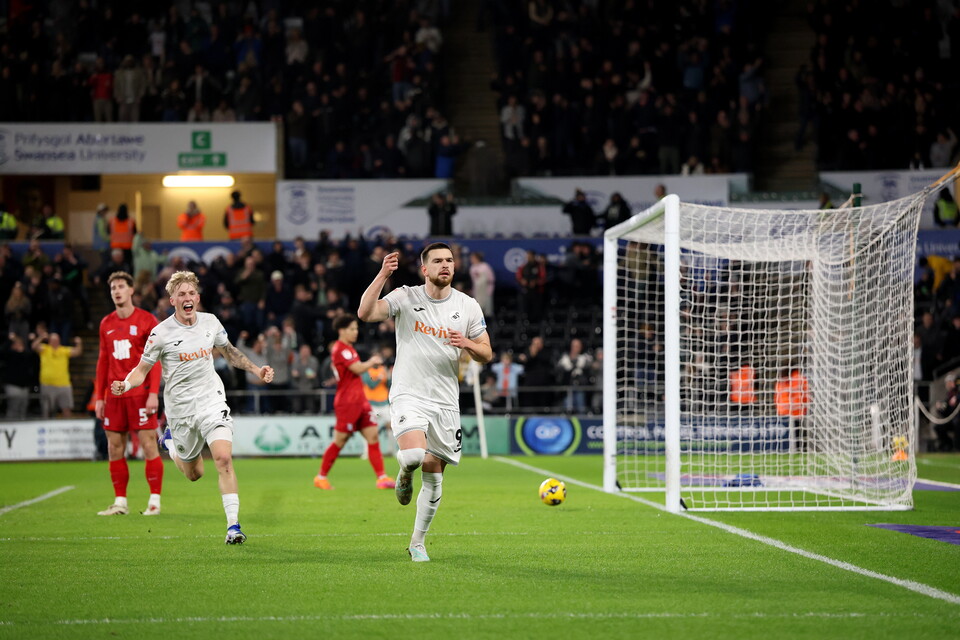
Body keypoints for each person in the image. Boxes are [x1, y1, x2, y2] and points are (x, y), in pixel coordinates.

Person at [111, 270, 275, 545]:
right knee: (194, 474)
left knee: (223, 458)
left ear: (197, 298)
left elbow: (230, 351)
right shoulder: (160, 333)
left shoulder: (210, 322)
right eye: (181, 294)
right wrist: (126, 385)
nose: (187, 298)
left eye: (191, 293)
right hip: (181, 410)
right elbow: (142, 370)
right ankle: (171, 444)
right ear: (172, 300)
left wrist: (257, 370)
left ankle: (233, 526)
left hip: (211, 400)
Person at [358, 242, 493, 562]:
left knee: (434, 474)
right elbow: (365, 313)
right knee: (416, 455)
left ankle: (417, 542)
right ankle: (405, 472)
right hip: (409, 393)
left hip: (446, 402)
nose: (445, 265)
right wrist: (382, 275)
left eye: (449, 260)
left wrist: (468, 344)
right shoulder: (406, 295)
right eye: (437, 261)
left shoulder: (468, 305)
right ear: (425, 269)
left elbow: (487, 353)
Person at [94, 271, 164, 516]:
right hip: (114, 394)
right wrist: (99, 396)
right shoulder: (106, 323)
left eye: (121, 286)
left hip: (140, 392)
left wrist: (154, 393)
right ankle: (120, 502)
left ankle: (154, 501)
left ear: (131, 290)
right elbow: (103, 361)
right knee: (114, 448)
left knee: (148, 445)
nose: (116, 291)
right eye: (113, 287)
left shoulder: (147, 320)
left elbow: (155, 361)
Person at [313, 314, 396, 490]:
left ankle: (381, 478)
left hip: (360, 400)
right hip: (347, 402)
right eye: (352, 329)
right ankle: (321, 477)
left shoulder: (349, 349)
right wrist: (372, 362)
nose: (355, 332)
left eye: (356, 328)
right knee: (340, 441)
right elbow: (357, 369)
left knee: (373, 436)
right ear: (341, 331)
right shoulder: (340, 349)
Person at [32, 330, 83, 418]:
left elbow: (77, 352)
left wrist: (79, 343)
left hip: (63, 384)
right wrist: (41, 338)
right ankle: (46, 427)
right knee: (46, 409)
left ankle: (67, 429)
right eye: (53, 340)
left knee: (66, 408)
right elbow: (34, 346)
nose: (55, 342)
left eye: (57, 340)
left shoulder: (63, 350)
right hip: (47, 384)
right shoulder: (45, 349)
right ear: (50, 341)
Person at [362, 344, 394, 455]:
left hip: (384, 402)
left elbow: (389, 384)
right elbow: (370, 384)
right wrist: (379, 379)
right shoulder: (367, 370)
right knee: (368, 427)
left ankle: (391, 450)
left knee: (390, 425)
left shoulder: (383, 369)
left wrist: (390, 376)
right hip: (371, 403)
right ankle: (367, 452)